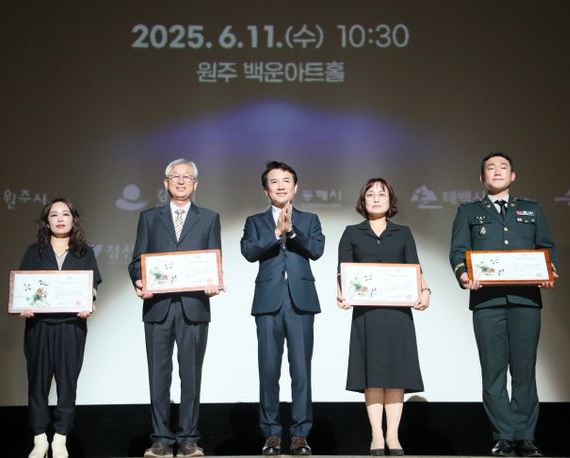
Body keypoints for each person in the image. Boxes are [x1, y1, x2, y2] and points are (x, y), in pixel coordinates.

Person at [449, 152, 558, 457]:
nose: (496, 171)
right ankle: (504, 436)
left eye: (503, 167)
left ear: (513, 176)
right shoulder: (469, 211)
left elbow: (546, 247)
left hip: (526, 301)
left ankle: (525, 436)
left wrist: (549, 271)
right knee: (493, 371)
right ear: (482, 177)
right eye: (490, 168)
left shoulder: (531, 210)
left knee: (524, 370)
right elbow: (458, 251)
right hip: (487, 302)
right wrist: (464, 275)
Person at [129, 158, 222, 458]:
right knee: (158, 376)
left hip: (194, 308)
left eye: (187, 177)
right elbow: (136, 261)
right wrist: (140, 279)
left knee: (191, 376)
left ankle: (189, 439)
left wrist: (214, 281)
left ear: (196, 184)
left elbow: (214, 260)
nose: (181, 181)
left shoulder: (209, 218)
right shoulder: (149, 217)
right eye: (175, 177)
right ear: (165, 182)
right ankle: (160, 439)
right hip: (158, 307)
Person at [336, 178, 430, 456]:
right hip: (367, 314)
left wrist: (426, 291)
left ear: (391, 201)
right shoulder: (351, 233)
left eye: (382, 194)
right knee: (373, 374)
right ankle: (377, 434)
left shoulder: (403, 233)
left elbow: (415, 268)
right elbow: (343, 270)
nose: (376, 198)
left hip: (398, 313)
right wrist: (341, 292)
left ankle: (393, 435)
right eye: (371, 194)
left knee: (396, 373)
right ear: (363, 201)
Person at [240, 160, 325, 456]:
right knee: (268, 371)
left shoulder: (310, 219)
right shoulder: (255, 221)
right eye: (274, 182)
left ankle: (300, 435)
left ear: (295, 187)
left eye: (286, 181)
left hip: (300, 302)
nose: (280, 186)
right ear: (266, 190)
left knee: (301, 372)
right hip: (268, 303)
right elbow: (249, 251)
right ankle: (272, 434)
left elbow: (316, 249)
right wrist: (276, 232)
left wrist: (292, 231)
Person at [18, 197, 102, 458]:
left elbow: (92, 287)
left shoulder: (84, 252)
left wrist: (89, 302)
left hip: (71, 326)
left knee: (67, 383)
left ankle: (61, 438)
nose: (60, 219)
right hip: (39, 327)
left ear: (73, 220)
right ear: (47, 222)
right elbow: (24, 287)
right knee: (37, 383)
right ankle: (39, 438)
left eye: (65, 214)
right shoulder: (34, 252)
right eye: (54, 215)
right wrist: (25, 304)